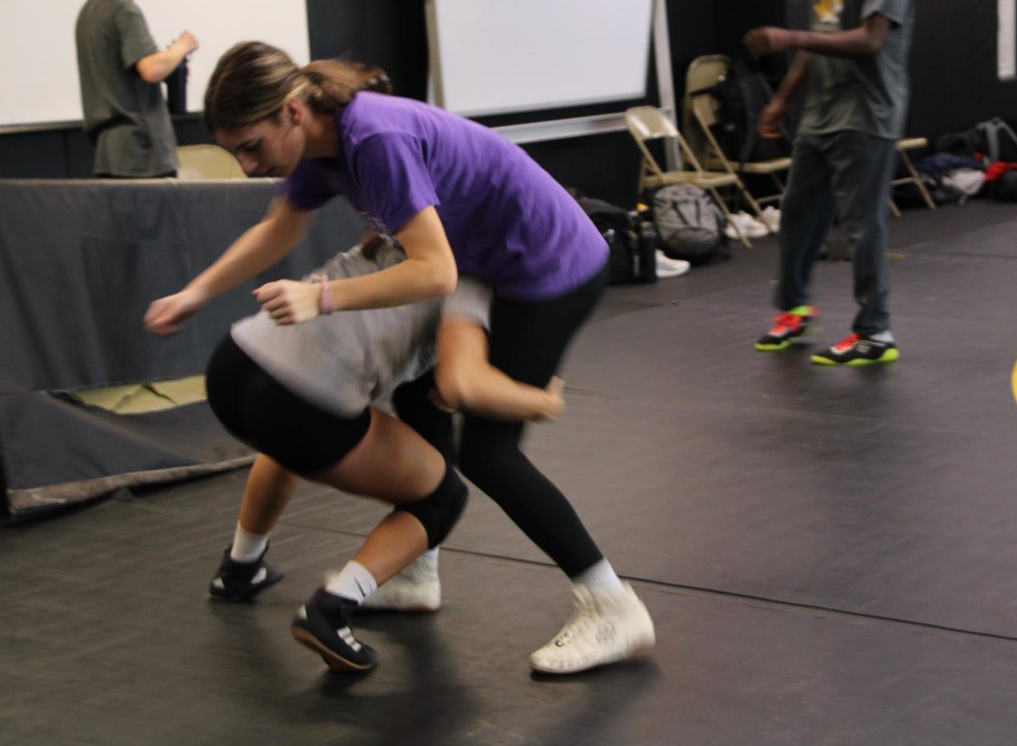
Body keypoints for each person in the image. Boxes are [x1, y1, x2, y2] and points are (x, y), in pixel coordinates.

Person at [144, 41, 654, 674]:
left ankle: (612, 605)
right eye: (237, 152)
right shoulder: (319, 142)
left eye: (252, 146)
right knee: (418, 399)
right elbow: (279, 227)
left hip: (547, 267)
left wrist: (322, 297)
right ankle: (416, 575)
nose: (249, 165)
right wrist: (196, 292)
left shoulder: (372, 138)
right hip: (486, 263)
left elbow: (436, 272)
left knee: (488, 453)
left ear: (293, 112)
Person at [202, 235, 566, 672]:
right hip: (298, 405)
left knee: (283, 446)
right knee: (442, 498)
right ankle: (331, 609)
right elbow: (462, 384)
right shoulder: (471, 272)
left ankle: (239, 568)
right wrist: (544, 402)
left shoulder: (397, 232)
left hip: (234, 365)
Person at [744, 0, 915, 365]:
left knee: (861, 225)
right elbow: (822, 34)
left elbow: (871, 40)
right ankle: (795, 308)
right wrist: (782, 99)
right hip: (821, 112)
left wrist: (788, 37)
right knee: (798, 213)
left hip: (867, 112)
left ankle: (875, 332)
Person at [76, 0, 198, 178]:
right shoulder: (124, 10)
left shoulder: (88, 12)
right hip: (142, 157)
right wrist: (182, 46)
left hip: (109, 157)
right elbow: (152, 69)